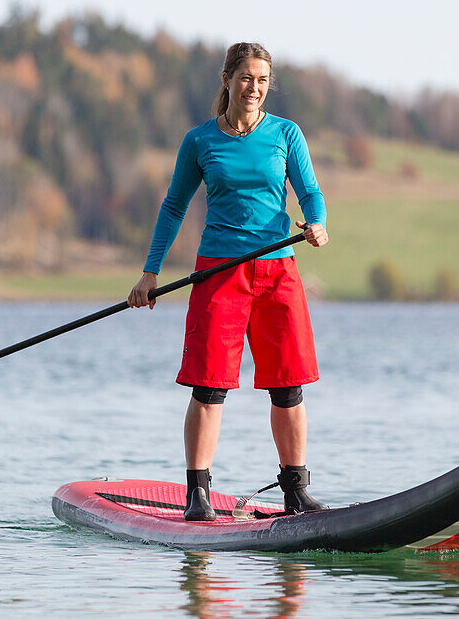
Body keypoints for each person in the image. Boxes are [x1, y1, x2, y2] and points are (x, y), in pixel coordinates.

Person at [128, 42, 329, 521]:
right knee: (208, 386)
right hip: (220, 274)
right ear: (227, 80)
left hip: (278, 270)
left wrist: (316, 221)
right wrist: (150, 271)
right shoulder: (200, 141)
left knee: (289, 387)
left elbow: (310, 192)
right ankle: (198, 495)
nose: (254, 88)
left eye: (262, 80)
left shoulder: (286, 134)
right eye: (245, 78)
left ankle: (295, 492)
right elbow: (173, 207)